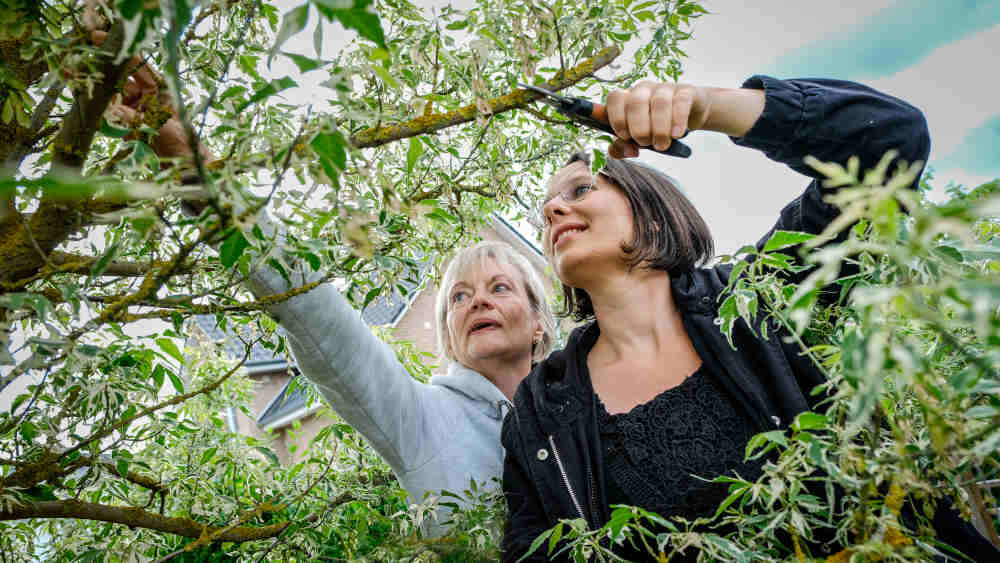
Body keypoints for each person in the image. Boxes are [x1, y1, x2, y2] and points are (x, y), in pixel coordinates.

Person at [501, 76, 998, 561]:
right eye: (546, 206)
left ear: (652, 211)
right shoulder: (541, 405)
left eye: (580, 190)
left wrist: (706, 107)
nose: (552, 209)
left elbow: (890, 140)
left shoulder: (764, 293)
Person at [96, 39, 557, 534]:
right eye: (459, 297)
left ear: (539, 323)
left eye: (500, 288)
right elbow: (319, 317)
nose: (478, 300)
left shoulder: (585, 411)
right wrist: (199, 168)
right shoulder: (422, 419)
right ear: (448, 335)